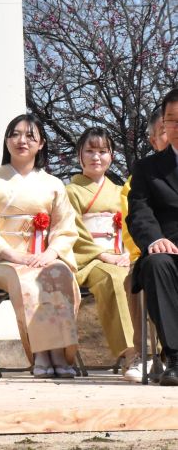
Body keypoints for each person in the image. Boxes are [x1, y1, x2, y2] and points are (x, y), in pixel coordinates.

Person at [0, 114, 79, 378]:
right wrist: (15, 256)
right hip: (4, 260)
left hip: (42, 257)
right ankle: (41, 353)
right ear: (7, 140)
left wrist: (50, 253)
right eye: (15, 134)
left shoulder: (54, 184)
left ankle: (59, 352)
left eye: (30, 136)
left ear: (41, 143)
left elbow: (64, 227)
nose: (22, 141)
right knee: (27, 280)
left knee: (60, 273)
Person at [66, 127, 136, 371]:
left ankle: (161, 351)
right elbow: (71, 231)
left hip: (121, 254)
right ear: (79, 155)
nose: (96, 157)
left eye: (103, 151)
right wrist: (103, 255)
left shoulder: (121, 192)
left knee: (148, 276)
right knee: (114, 277)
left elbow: (132, 226)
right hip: (89, 259)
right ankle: (132, 352)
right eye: (90, 151)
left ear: (112, 156)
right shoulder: (70, 192)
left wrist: (128, 253)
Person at [128, 87, 178, 386]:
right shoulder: (147, 168)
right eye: (171, 119)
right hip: (168, 249)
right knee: (156, 264)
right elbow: (139, 211)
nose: (176, 126)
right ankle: (174, 357)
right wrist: (153, 239)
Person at [120, 106, 170, 381]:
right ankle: (144, 354)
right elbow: (133, 223)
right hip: (151, 254)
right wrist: (153, 245)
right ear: (153, 140)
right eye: (164, 131)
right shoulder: (141, 176)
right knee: (140, 279)